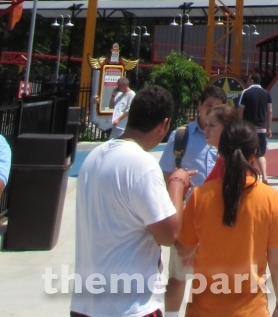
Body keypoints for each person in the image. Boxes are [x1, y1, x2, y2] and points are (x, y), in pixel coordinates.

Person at [72, 85, 194, 317]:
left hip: (85, 305)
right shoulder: (142, 165)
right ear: (163, 125)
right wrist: (177, 185)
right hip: (129, 307)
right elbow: (168, 235)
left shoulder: (95, 156)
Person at [175, 120, 278, 317]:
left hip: (203, 311)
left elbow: (183, 249)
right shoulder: (269, 198)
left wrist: (178, 195)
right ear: (254, 155)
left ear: (220, 153)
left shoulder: (200, 196)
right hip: (251, 311)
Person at [159, 84, 227, 314]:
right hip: (188, 216)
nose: (211, 112)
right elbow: (167, 175)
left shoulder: (228, 138)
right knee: (178, 276)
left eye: (217, 108)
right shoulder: (182, 136)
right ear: (199, 106)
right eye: (208, 106)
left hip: (217, 218)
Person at [237, 73, 272, 180]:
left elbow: (240, 111)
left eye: (248, 79)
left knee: (247, 153)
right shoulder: (266, 94)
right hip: (261, 128)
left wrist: (238, 126)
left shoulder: (246, 93)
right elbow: (269, 112)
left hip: (248, 128)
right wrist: (269, 128)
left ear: (252, 80)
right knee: (261, 154)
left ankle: (250, 175)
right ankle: (265, 176)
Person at [202, 104, 238, 180]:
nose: (205, 130)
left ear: (227, 128)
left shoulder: (232, 164)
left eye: (211, 125)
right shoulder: (222, 160)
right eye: (206, 125)